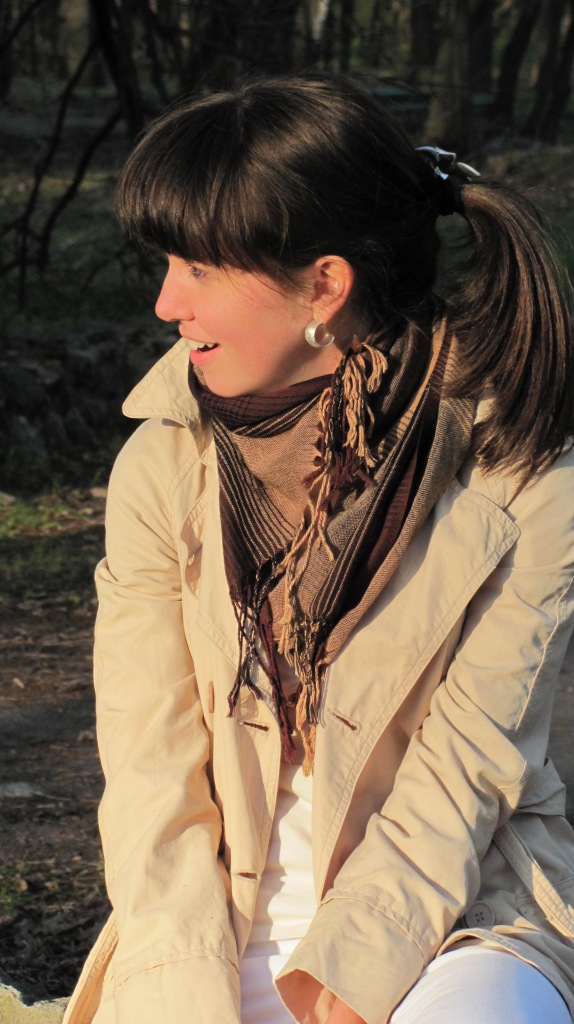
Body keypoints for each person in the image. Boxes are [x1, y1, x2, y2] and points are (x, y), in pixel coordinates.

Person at [63, 73, 574, 1024]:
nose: (167, 303)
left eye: (200, 269)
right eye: (168, 264)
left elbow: (474, 760)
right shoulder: (162, 464)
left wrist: (361, 964)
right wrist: (180, 982)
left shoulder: (520, 466)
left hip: (459, 907)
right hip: (214, 923)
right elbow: (148, 770)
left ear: (325, 286)